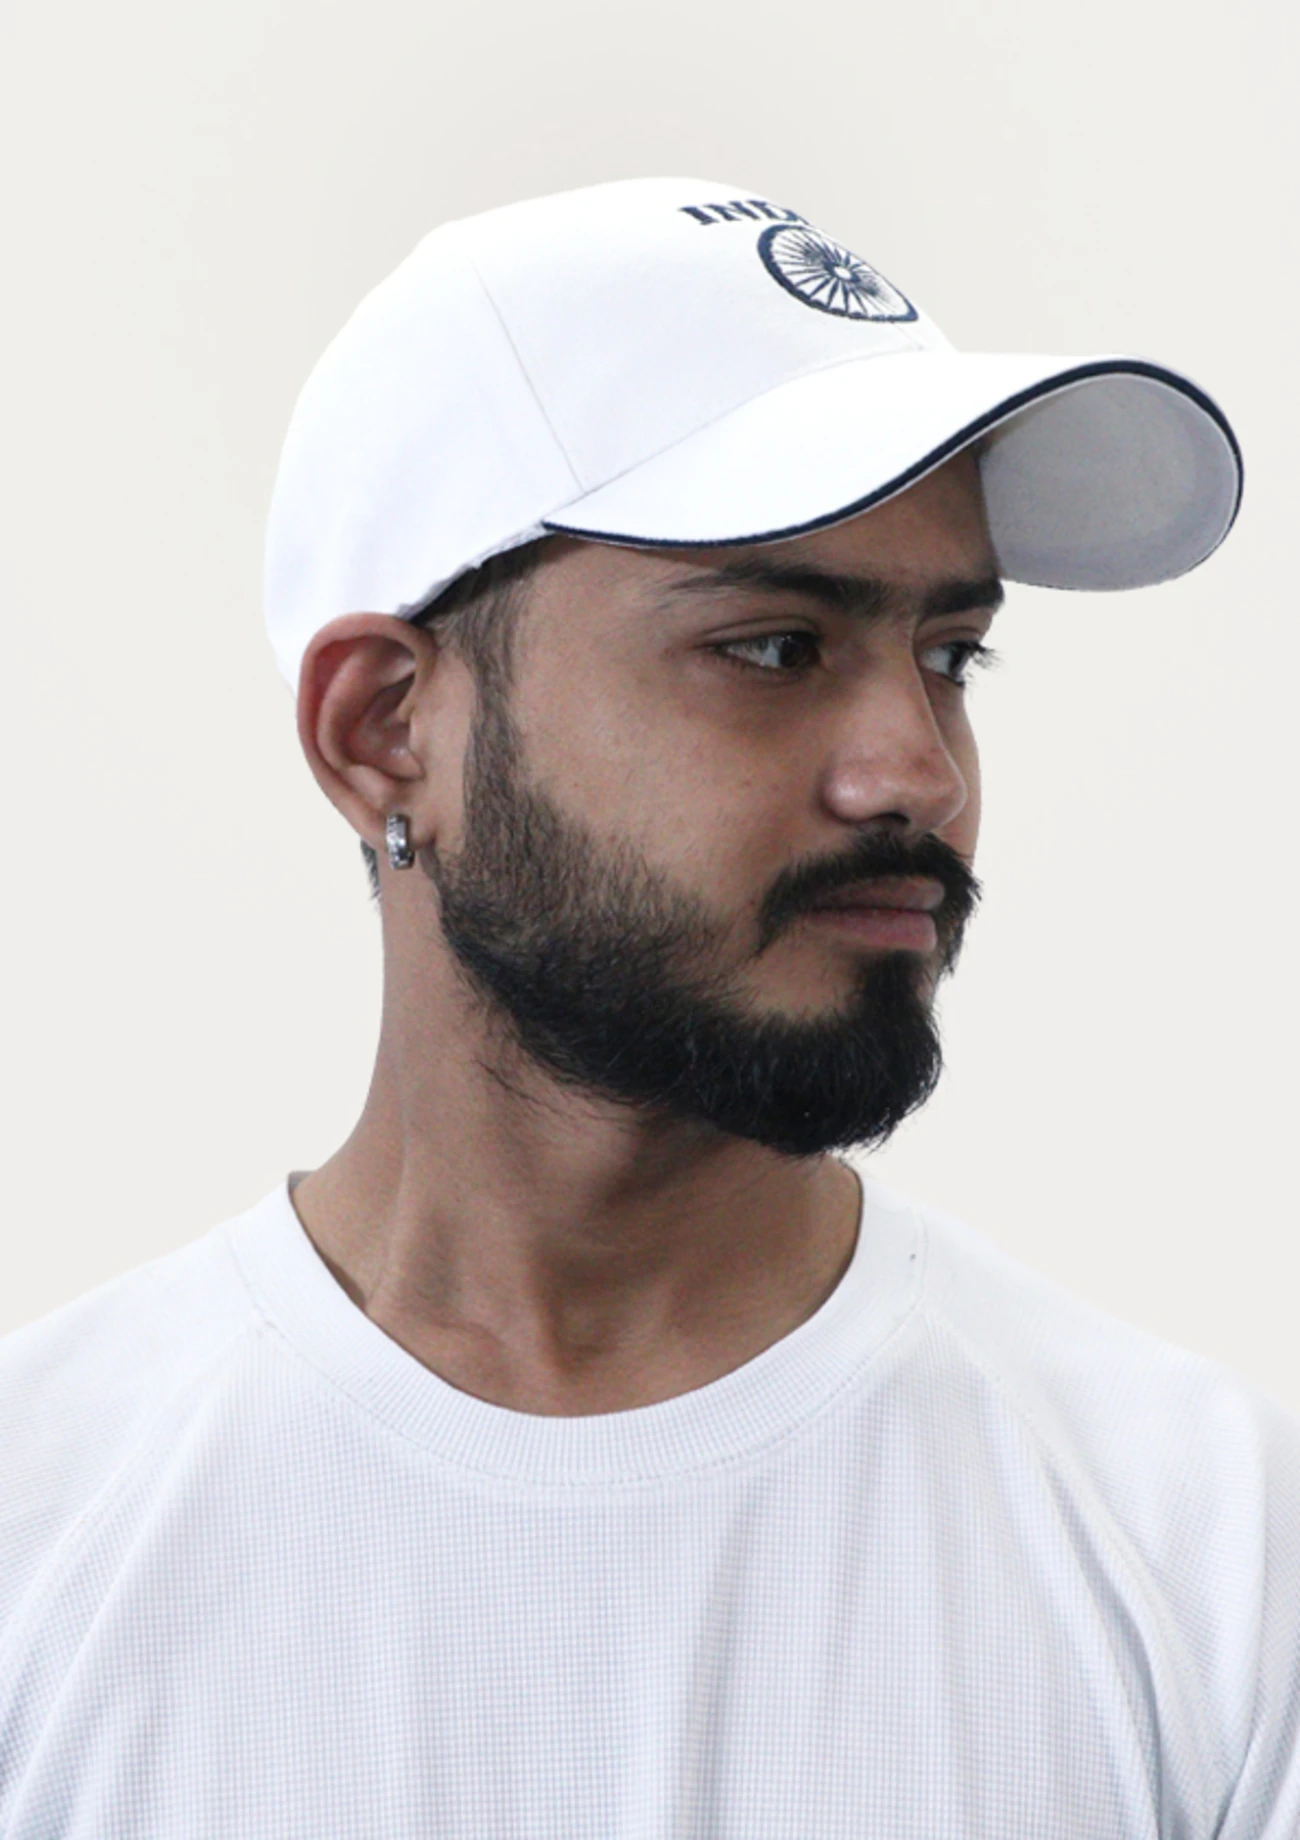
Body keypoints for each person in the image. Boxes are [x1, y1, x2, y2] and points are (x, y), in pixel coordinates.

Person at [1, 177, 1295, 1838]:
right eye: (773, 649)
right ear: (386, 729)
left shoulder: (1212, 1553)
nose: (916, 772)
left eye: (951, 655)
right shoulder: (48, 1535)